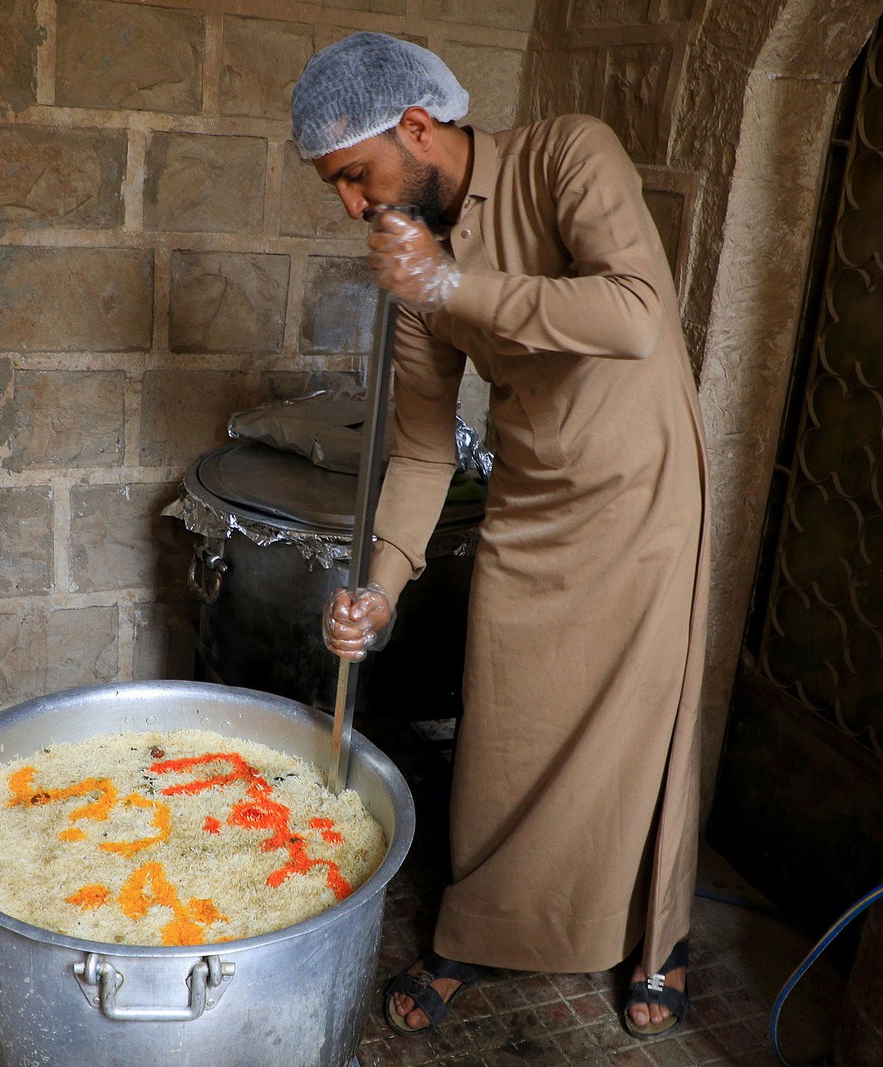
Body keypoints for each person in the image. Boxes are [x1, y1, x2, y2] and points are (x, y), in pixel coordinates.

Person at [292, 33, 709, 1039]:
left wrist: (452, 285)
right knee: (504, 731)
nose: (355, 207)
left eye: (357, 177)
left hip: (642, 491)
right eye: (338, 191)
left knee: (638, 730)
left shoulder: (569, 154)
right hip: (530, 499)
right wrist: (381, 582)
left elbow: (636, 313)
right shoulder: (409, 271)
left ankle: (656, 938)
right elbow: (425, 450)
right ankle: (481, 927)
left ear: (419, 129)